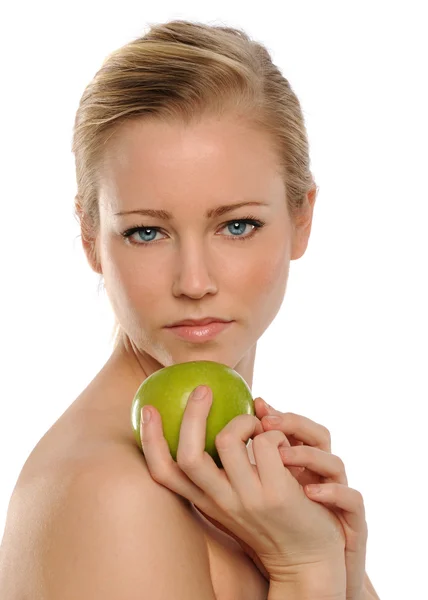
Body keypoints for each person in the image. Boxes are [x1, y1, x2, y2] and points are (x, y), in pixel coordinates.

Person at [0, 19, 380, 599]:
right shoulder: (113, 495)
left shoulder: (268, 492)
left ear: (302, 220)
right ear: (89, 237)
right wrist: (307, 571)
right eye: (148, 232)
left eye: (236, 225)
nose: (195, 282)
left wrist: (341, 566)